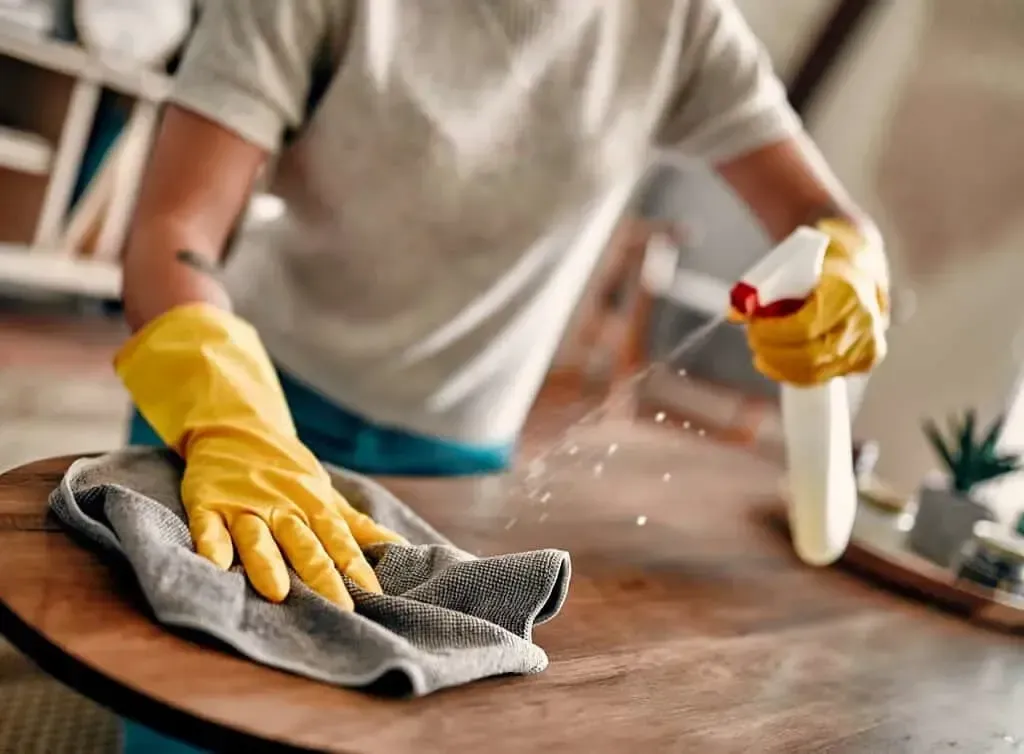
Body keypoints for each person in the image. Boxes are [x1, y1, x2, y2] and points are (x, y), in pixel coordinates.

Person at [115, 1, 890, 751]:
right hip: (232, 414)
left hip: (456, 467)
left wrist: (853, 265)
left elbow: (828, 215)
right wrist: (231, 420)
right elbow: (174, 226)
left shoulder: (681, 20)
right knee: (191, 713)